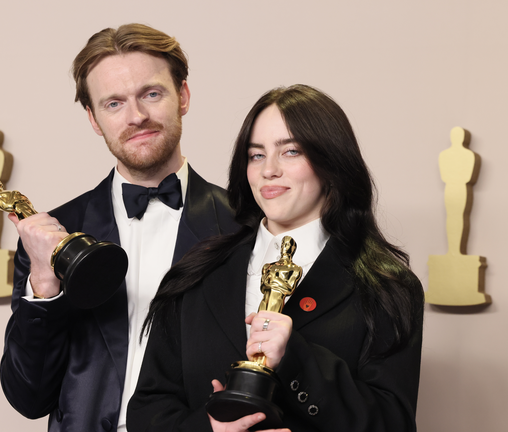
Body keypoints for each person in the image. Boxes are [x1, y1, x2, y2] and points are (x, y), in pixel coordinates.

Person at [128, 85, 425, 432]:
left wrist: (296, 359)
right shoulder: (196, 273)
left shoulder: (387, 286)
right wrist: (208, 429)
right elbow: (147, 410)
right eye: (256, 155)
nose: (269, 170)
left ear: (331, 162)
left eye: (291, 152)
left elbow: (393, 423)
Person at [0, 24, 239, 432]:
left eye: (151, 93)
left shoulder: (245, 225)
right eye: (113, 103)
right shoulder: (53, 234)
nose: (136, 116)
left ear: (183, 96)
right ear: (93, 118)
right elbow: (28, 397)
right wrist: (44, 284)